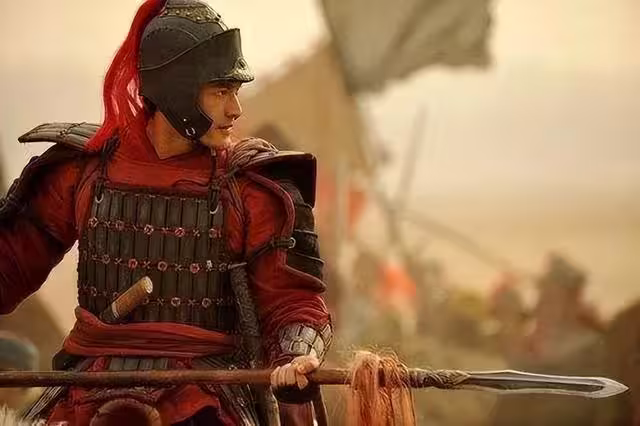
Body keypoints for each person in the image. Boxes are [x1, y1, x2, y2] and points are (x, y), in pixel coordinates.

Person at [0, 0, 332, 424]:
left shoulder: (248, 186)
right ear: (177, 90)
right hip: (89, 385)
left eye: (235, 91)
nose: (236, 109)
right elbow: (9, 266)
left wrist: (298, 354)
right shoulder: (83, 171)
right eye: (221, 92)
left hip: (208, 393)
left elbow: (293, 300)